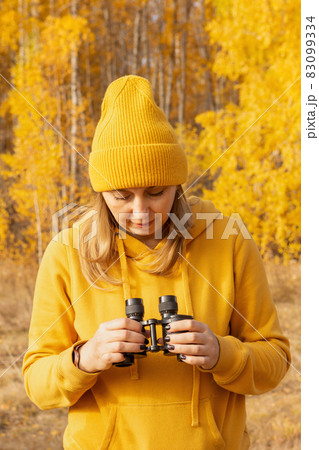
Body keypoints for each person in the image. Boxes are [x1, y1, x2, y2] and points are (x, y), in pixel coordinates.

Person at [23, 75, 291, 449]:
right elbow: (38, 383)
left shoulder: (228, 240)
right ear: (101, 193)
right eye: (121, 195)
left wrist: (221, 353)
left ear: (176, 184)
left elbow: (275, 361)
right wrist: (84, 358)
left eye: (155, 192)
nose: (139, 211)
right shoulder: (67, 253)